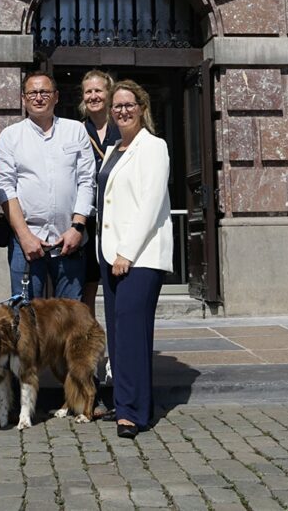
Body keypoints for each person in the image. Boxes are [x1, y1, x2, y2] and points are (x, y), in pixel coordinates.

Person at [98, 80, 173, 440]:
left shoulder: (153, 147)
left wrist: (126, 252)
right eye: (117, 106)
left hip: (139, 256)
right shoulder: (114, 149)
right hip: (111, 254)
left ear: (142, 108)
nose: (122, 110)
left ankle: (131, 413)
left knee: (130, 333)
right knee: (120, 334)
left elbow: (150, 203)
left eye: (129, 104)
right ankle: (129, 402)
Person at [0, 72, 96, 301]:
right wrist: (24, 236)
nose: (38, 97)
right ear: (23, 98)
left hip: (70, 241)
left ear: (56, 97)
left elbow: (87, 181)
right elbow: (4, 188)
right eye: (33, 93)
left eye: (45, 92)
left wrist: (77, 228)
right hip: (27, 242)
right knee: (26, 317)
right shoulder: (10, 136)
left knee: (68, 321)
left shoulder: (75, 131)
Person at [79, 69, 120, 315]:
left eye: (98, 91)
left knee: (117, 282)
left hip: (117, 216)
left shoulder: (123, 127)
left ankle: (120, 346)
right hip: (88, 217)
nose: (93, 96)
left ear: (109, 93)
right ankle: (93, 347)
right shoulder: (76, 129)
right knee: (88, 285)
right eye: (88, 91)